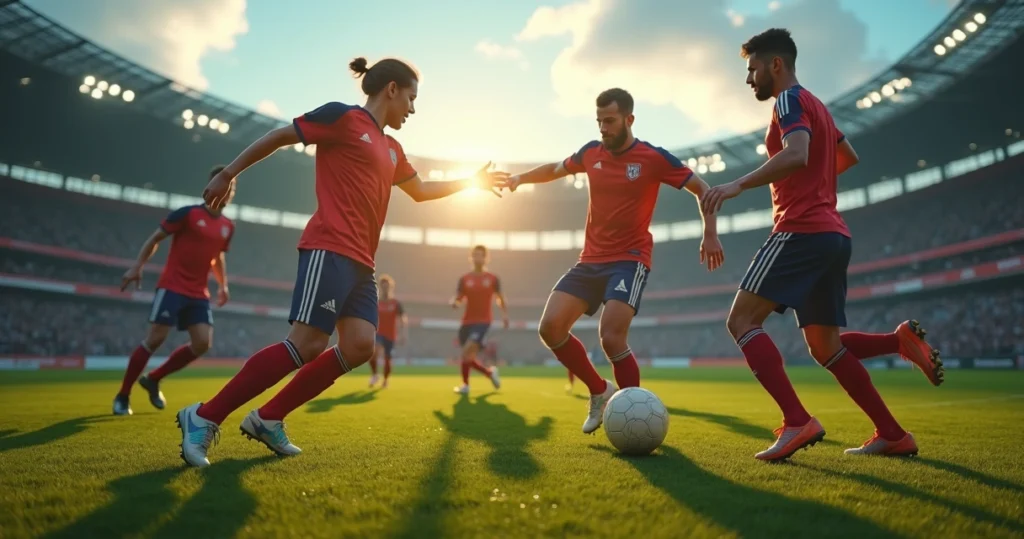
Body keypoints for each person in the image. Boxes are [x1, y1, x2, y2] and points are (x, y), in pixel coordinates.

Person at [175, 57, 508, 468]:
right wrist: (229, 172)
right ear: (391, 89)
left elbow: (420, 191)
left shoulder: (392, 148)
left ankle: (269, 416)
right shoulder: (343, 118)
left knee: (359, 346)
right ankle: (204, 416)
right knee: (308, 343)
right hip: (329, 248)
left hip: (362, 263)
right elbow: (281, 136)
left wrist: (471, 181)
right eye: (411, 98)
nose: (413, 109)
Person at [700, 28, 942, 461]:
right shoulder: (818, 107)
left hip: (801, 229)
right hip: (833, 235)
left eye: (752, 69)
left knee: (740, 321)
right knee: (825, 347)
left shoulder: (789, 101)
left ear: (776, 65)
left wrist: (738, 184)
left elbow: (796, 154)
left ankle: (797, 421)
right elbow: (847, 157)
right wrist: (813, 180)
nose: (749, 79)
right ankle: (893, 425)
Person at [506, 88, 724, 434]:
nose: (603, 128)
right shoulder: (591, 153)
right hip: (590, 260)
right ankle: (598, 391)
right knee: (550, 328)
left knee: (611, 336)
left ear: (629, 119)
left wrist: (709, 233)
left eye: (609, 121)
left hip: (630, 259)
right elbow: (555, 168)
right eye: (599, 122)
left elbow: (703, 188)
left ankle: (633, 412)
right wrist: (520, 178)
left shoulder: (653, 158)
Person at [113, 166, 234, 416]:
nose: (227, 189)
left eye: (232, 186)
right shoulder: (187, 214)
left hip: (199, 293)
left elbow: (218, 257)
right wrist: (137, 266)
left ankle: (154, 378)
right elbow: (155, 238)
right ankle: (123, 395)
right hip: (172, 286)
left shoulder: (227, 226)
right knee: (155, 339)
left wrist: (223, 285)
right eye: (223, 183)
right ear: (211, 186)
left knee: (202, 343)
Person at [449, 245, 507, 394]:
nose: (478, 258)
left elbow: (500, 298)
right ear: (471, 257)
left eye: (481, 255)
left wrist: (504, 316)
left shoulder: (493, 279)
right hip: (466, 322)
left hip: (483, 322)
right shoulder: (464, 279)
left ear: (486, 258)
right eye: (475, 255)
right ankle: (489, 373)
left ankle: (465, 386)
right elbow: (459, 297)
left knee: (466, 353)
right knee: (467, 357)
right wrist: (455, 302)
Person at [371, 274, 406, 389]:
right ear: (380, 287)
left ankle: (385, 380)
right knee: (374, 352)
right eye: (383, 286)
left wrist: (403, 334)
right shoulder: (376, 302)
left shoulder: (396, 303)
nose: (385, 288)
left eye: (387, 286)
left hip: (391, 335)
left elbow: (402, 319)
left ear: (391, 287)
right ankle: (375, 374)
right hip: (378, 333)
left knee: (388, 358)